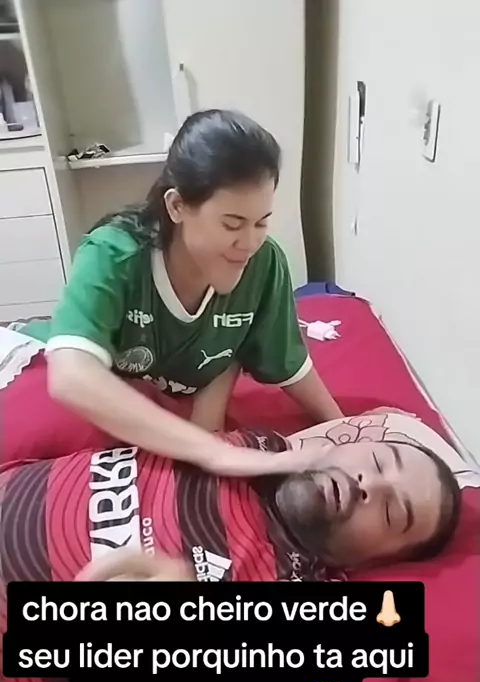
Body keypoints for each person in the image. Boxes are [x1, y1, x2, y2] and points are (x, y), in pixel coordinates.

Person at [0, 426, 460, 682]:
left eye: (391, 513)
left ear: (373, 564)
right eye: (378, 461)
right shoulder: (257, 444)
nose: (368, 485)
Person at [22, 109, 342, 479]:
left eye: (261, 222)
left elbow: (285, 359)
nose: (250, 243)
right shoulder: (114, 254)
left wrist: (343, 428)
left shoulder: (264, 264)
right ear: (176, 206)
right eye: (232, 224)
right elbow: (71, 375)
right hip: (44, 372)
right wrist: (215, 453)